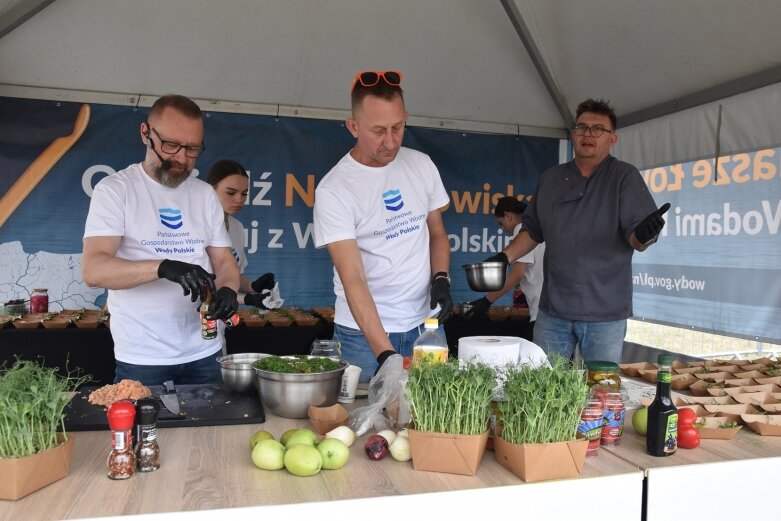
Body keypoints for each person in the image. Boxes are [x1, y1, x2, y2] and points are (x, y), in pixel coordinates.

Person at [483, 98, 670, 364]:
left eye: (598, 129)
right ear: (572, 134)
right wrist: (504, 258)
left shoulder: (624, 177)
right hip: (553, 310)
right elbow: (533, 231)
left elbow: (637, 239)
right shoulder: (551, 178)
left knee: (602, 392)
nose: (588, 135)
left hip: (605, 311)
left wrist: (644, 235)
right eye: (581, 127)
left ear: (612, 138)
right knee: (544, 390)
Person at [82, 94, 240, 386]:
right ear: (146, 133)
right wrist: (162, 267)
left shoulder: (204, 194)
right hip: (143, 358)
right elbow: (94, 270)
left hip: (205, 350)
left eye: (192, 149)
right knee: (142, 433)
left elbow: (223, 259)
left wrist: (229, 288)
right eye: (171, 145)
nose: (181, 158)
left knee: (209, 432)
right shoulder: (116, 190)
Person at [313, 70, 453, 383]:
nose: (390, 142)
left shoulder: (421, 164)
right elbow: (353, 278)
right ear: (353, 127)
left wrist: (441, 277)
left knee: (431, 426)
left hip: (425, 328)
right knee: (362, 427)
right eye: (378, 131)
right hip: (362, 338)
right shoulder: (334, 189)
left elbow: (437, 234)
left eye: (398, 127)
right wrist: (384, 352)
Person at [464, 196, 544, 338]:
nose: (501, 228)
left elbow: (517, 274)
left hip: (541, 312)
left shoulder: (522, 231)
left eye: (500, 223)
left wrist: (486, 301)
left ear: (508, 216)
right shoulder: (538, 229)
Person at [205, 159, 277, 308]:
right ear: (210, 190)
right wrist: (248, 299)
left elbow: (228, 279)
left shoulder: (237, 227)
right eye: (231, 192)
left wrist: (252, 286)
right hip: (190, 322)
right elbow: (202, 287)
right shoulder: (196, 227)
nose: (239, 199)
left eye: (244, 194)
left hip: (219, 323)